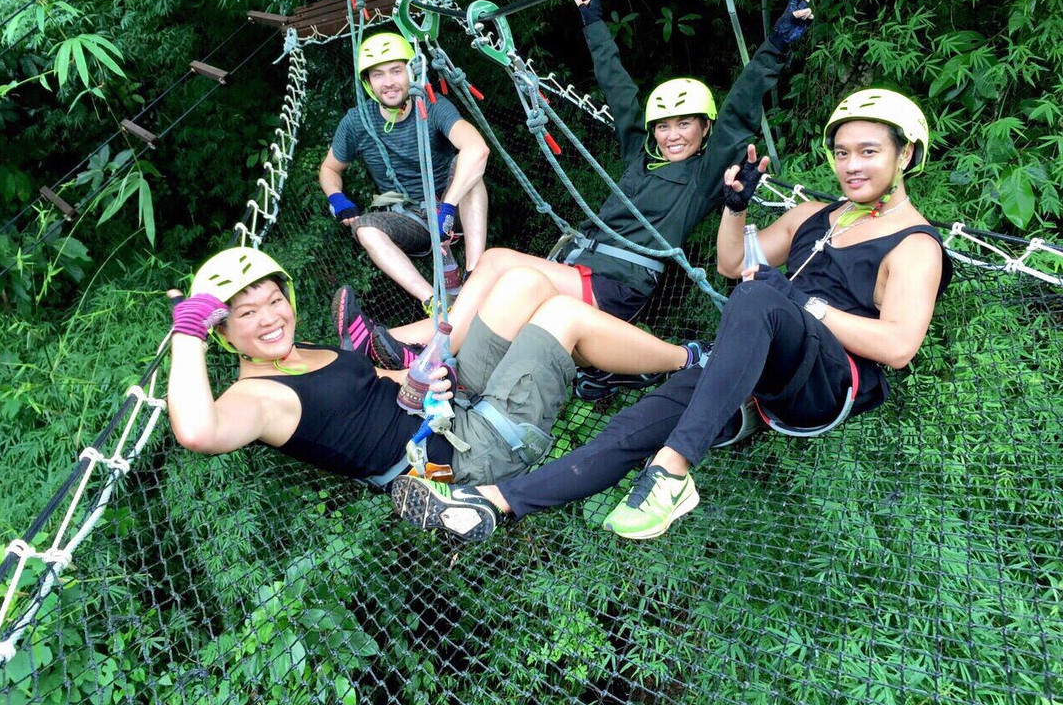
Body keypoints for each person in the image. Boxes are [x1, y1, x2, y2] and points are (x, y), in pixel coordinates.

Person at [392, 89, 954, 542]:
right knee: (632, 425)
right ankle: (491, 503)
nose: (850, 166)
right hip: (763, 360)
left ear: (906, 155)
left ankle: (673, 473)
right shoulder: (816, 215)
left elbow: (899, 346)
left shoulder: (915, 246)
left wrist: (799, 301)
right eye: (843, 152)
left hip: (832, 382)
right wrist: (736, 210)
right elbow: (733, 263)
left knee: (760, 299)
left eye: (869, 152)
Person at [369, 0, 817, 402]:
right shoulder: (638, 158)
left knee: (495, 262)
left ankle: (420, 346)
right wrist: (593, 24)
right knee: (497, 288)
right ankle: (399, 356)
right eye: (663, 126)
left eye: (685, 124)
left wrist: (778, 43)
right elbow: (619, 90)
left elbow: (740, 108)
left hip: (615, 284)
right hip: (582, 269)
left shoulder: (704, 176)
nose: (672, 135)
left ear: (705, 129)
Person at [167, 247, 706, 490]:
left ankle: (613, 366)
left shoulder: (296, 348)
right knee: (561, 316)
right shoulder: (257, 397)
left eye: (272, 299)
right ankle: (690, 362)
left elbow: (368, 397)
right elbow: (198, 430)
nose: (268, 318)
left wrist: (416, 380)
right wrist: (185, 334)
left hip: (446, 403)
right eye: (245, 313)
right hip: (464, 452)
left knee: (523, 282)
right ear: (221, 331)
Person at [318, 31, 490, 309]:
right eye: (378, 75)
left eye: (396, 71)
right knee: (365, 229)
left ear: (411, 72)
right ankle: (433, 302)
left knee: (468, 167)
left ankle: (476, 272)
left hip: (453, 208)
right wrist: (336, 198)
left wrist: (447, 205)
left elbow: (477, 149)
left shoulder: (432, 106)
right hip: (411, 218)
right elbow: (329, 168)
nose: (388, 83)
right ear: (368, 82)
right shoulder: (357, 122)